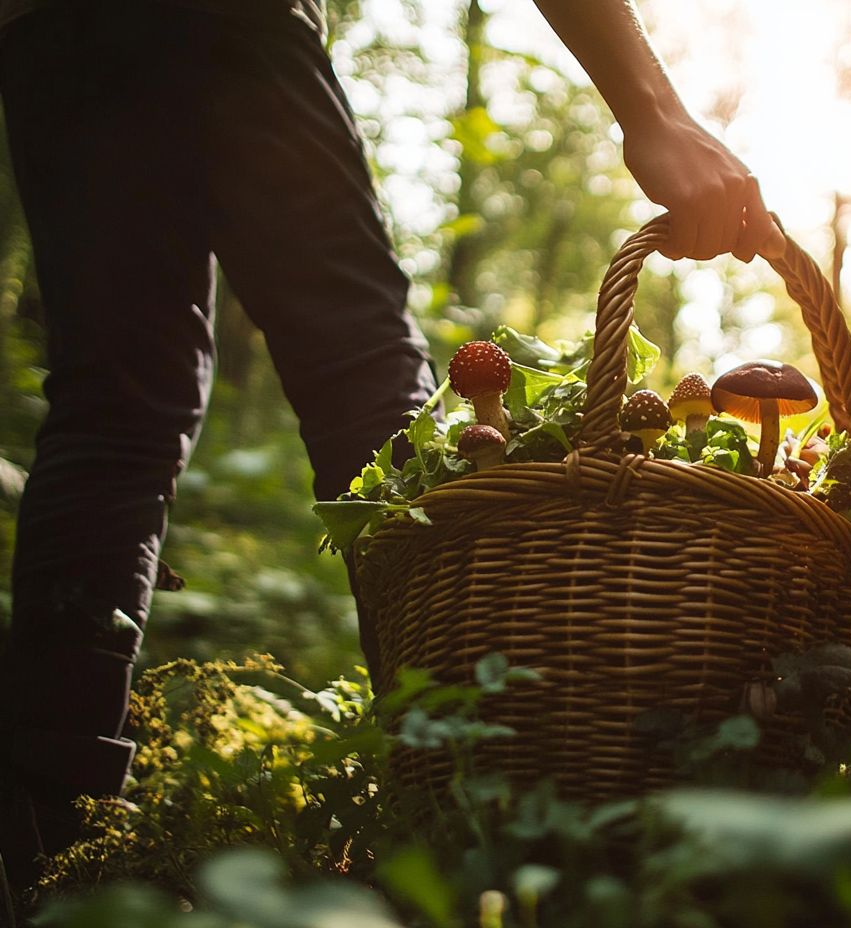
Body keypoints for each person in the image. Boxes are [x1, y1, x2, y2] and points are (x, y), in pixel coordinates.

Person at [0, 0, 776, 908]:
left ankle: (45, 847)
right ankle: (470, 790)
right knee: (365, 388)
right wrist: (653, 111)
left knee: (116, 410)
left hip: (47, 32)